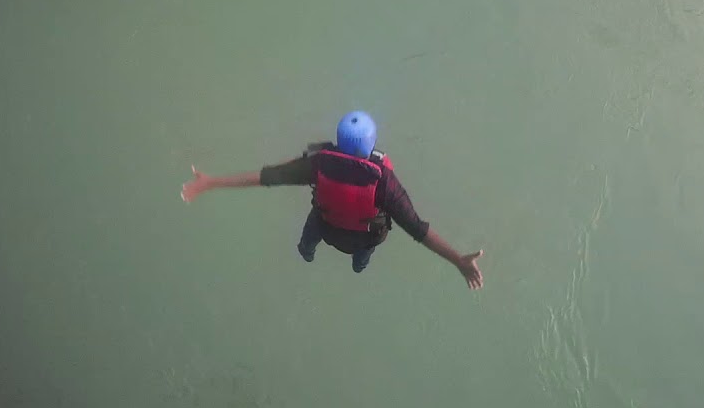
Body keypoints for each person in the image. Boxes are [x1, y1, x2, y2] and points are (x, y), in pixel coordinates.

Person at [180, 111, 484, 287]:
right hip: (363, 240)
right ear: (372, 147)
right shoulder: (385, 184)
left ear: (338, 143)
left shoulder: (318, 164)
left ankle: (307, 255)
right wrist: (457, 260)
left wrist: (211, 183)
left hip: (324, 227)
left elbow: (265, 177)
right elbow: (419, 230)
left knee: (305, 246)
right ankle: (357, 270)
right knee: (361, 261)